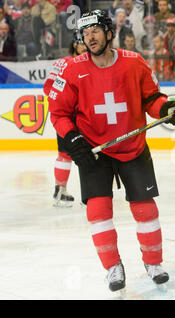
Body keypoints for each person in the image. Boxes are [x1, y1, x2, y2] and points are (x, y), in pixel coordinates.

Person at [48, 9, 175, 292]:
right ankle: (113, 267)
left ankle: (154, 262)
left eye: (95, 31)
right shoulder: (73, 69)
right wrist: (73, 139)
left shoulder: (133, 63)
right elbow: (58, 113)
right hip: (93, 151)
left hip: (132, 145)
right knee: (98, 211)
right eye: (85, 34)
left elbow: (152, 98)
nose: (90, 38)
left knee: (145, 208)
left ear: (109, 32)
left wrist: (168, 109)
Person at [43, 29, 87, 207]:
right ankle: (60, 189)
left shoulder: (93, 62)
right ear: (75, 44)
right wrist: (65, 104)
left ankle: (92, 192)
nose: (85, 46)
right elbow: (49, 88)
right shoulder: (63, 63)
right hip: (67, 117)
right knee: (65, 153)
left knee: (90, 153)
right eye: (82, 42)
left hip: (88, 116)